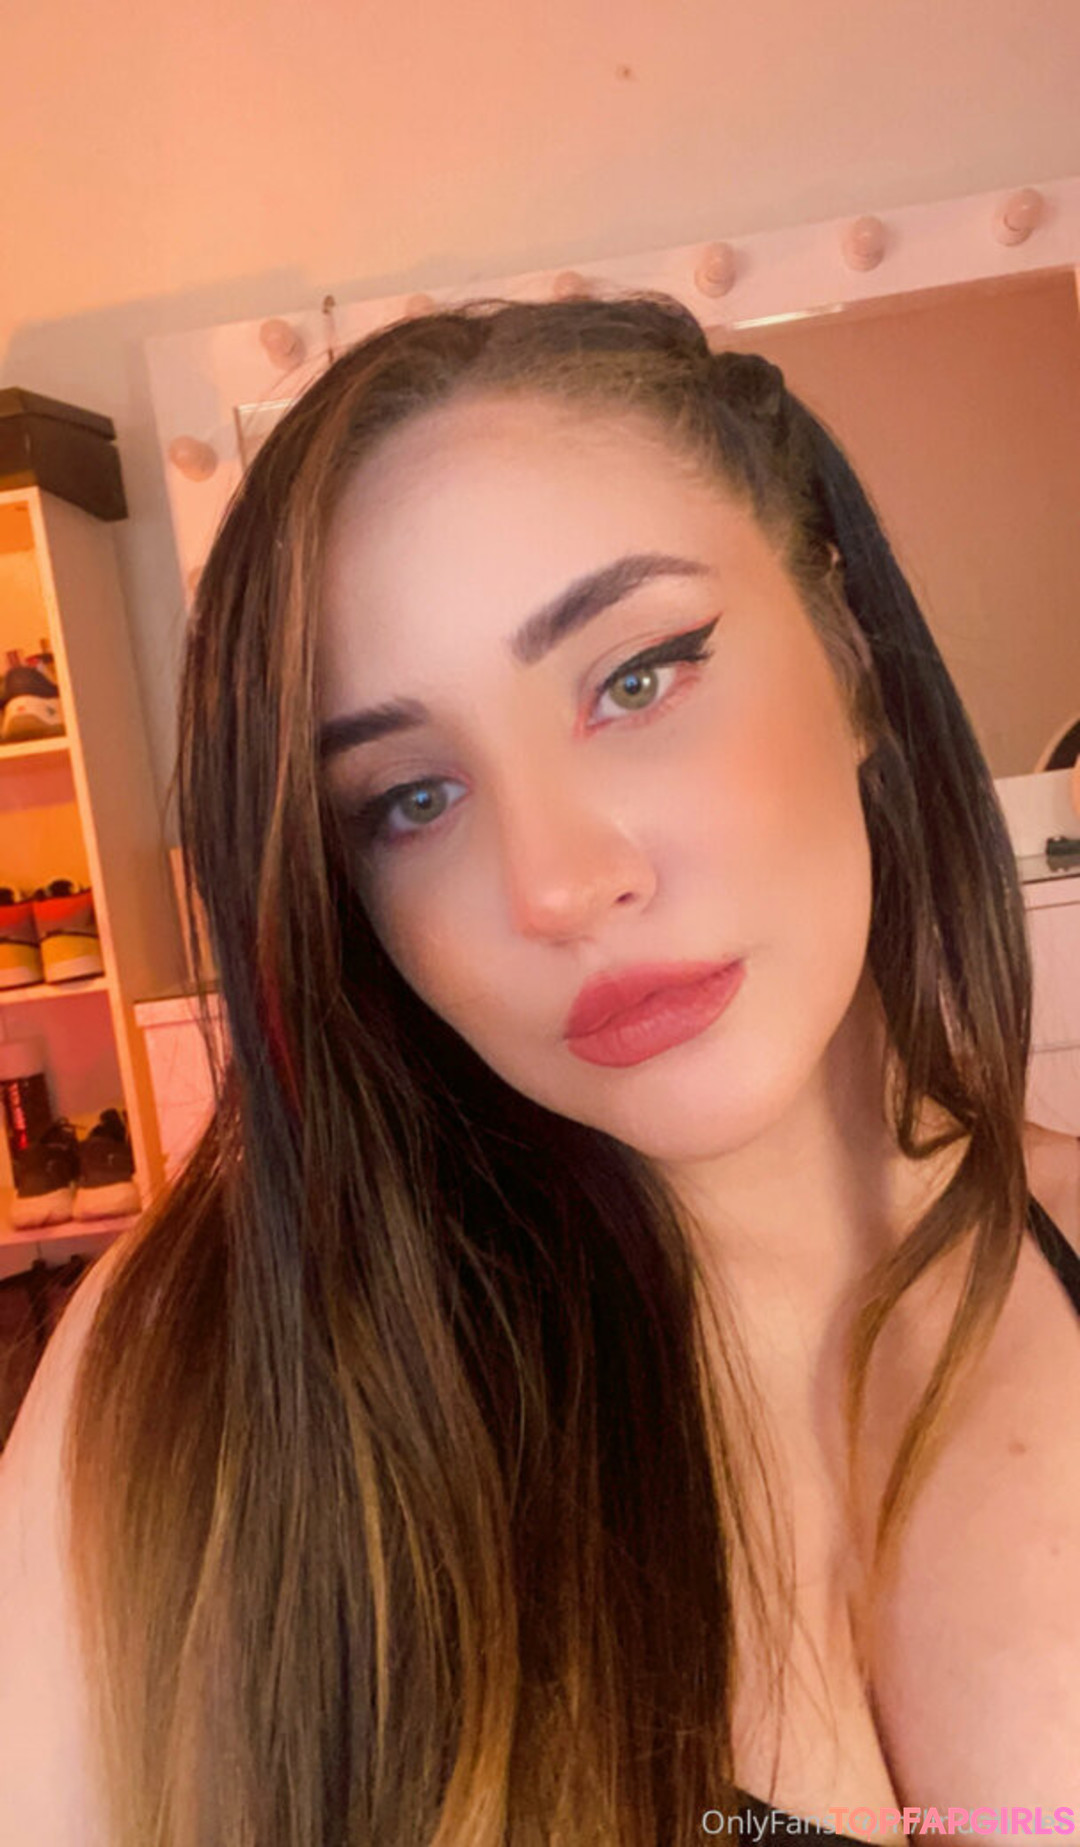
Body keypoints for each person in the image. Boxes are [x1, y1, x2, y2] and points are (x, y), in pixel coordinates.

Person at [1, 293, 1078, 1846]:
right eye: (414, 797)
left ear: (849, 655)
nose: (558, 885)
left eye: (636, 681)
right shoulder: (207, 1388)